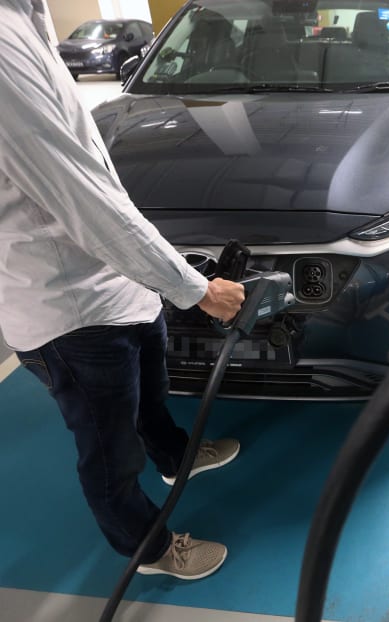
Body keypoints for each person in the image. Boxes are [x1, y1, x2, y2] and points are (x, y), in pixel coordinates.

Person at [0, 0, 246, 580]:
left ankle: (176, 458)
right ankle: (148, 549)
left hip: (119, 282)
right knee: (110, 454)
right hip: (70, 310)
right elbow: (82, 198)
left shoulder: (24, 16)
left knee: (149, 395)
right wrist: (197, 290)